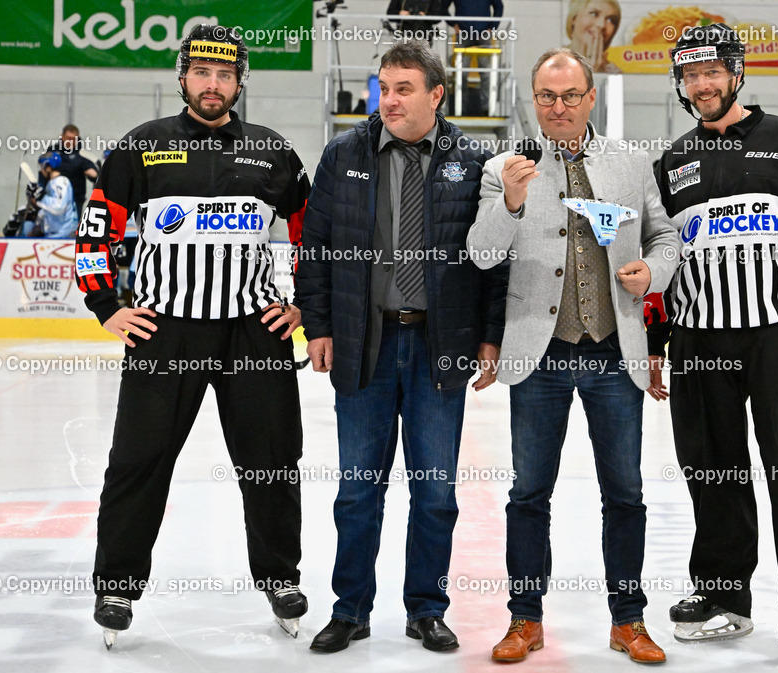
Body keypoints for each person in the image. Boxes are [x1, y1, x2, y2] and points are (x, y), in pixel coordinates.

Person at [74, 24, 311, 649]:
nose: (213, 85)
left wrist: (304, 306)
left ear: (239, 82)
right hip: (163, 331)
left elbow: (315, 234)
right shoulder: (140, 148)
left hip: (253, 334)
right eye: (202, 73)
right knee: (138, 463)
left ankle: (281, 579)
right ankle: (117, 586)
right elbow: (96, 233)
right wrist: (106, 306)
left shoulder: (274, 151)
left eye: (225, 74)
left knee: (272, 465)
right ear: (183, 76)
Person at [467, 47, 680, 665]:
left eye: (569, 96)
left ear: (590, 99)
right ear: (533, 100)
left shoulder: (633, 163)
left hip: (616, 353)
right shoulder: (506, 166)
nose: (557, 107)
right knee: (529, 493)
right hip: (540, 356)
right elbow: (482, 254)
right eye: (546, 97)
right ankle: (524, 620)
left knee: (626, 494)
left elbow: (665, 235)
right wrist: (508, 202)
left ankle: (629, 620)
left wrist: (654, 270)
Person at [653, 24, 778, 667]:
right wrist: (657, 342)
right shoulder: (672, 160)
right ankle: (721, 595)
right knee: (712, 468)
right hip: (697, 337)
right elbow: (662, 257)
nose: (702, 84)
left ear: (736, 75)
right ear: (681, 84)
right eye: (691, 75)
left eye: (713, 72)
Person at [296, 40, 507, 654]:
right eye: (383, 89)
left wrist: (490, 337)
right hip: (366, 345)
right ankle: (351, 609)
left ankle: (426, 608)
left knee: (436, 491)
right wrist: (320, 327)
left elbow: (493, 260)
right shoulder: (344, 154)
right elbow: (315, 250)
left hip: (439, 346)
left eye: (403, 89)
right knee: (358, 490)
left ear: (437, 95)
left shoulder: (474, 159)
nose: (389, 100)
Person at [447, 0, 504, 115]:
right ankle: (460, 109)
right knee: (461, 73)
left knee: (486, 72)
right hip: (463, 34)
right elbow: (442, 7)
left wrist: (492, 28)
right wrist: (454, 24)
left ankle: (487, 109)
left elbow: (499, 7)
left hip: (483, 33)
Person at [565, 0, 621, 73]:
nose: (601, 25)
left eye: (611, 20)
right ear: (574, 18)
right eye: (594, 14)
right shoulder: (552, 61)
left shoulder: (616, 73)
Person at [31, 152, 78, 238]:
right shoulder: (52, 183)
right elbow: (48, 210)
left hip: (64, 234)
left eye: (42, 166)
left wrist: (40, 198)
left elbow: (59, 207)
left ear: (48, 167)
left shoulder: (60, 182)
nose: (41, 170)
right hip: (56, 233)